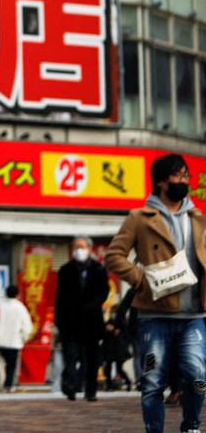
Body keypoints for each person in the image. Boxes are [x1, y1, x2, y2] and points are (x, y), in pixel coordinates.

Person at [105, 153, 206, 433]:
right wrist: (142, 279)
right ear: (161, 181)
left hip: (194, 315)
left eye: (187, 176)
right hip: (154, 317)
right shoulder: (140, 218)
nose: (184, 181)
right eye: (179, 176)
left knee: (198, 377)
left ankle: (191, 426)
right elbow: (115, 256)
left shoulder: (199, 218)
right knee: (152, 382)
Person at [55, 235, 108, 402]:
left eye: (82, 247)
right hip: (70, 321)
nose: (79, 250)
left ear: (89, 249)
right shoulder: (65, 270)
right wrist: (59, 321)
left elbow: (104, 292)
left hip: (92, 321)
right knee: (70, 356)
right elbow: (60, 297)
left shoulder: (98, 269)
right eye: (76, 247)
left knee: (92, 358)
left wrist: (92, 305)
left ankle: (90, 390)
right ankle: (69, 386)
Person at [0, 286, 33, 393]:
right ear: (17, 294)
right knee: (11, 365)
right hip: (14, 342)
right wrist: (24, 338)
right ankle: (8, 385)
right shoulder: (20, 307)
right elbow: (27, 326)